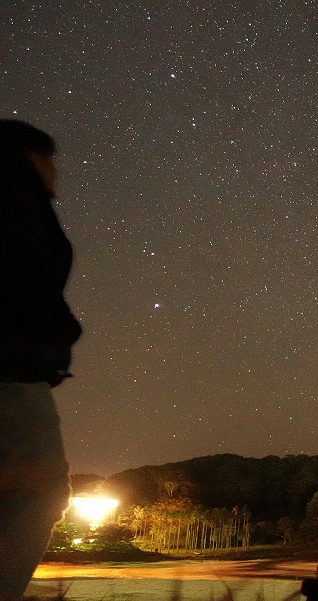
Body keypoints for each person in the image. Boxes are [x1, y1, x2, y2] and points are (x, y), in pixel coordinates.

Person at [0, 120, 82, 601]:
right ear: (32, 157)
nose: (56, 174)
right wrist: (60, 333)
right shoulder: (18, 204)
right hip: (12, 374)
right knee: (38, 491)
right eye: (50, 160)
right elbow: (31, 283)